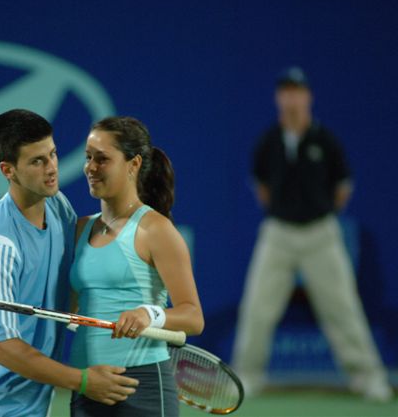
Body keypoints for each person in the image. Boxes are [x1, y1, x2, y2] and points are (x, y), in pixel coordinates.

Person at [0, 109, 140, 417]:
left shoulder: (56, 204)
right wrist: (83, 381)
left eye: (52, 155)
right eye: (37, 161)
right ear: (7, 170)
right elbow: (1, 346)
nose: (52, 168)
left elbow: (69, 281)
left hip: (34, 395)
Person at [232, 67, 393, 402]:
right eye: (286, 91)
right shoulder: (268, 142)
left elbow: (342, 190)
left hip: (321, 234)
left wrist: (315, 213)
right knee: (258, 309)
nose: (292, 98)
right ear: (279, 98)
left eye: (298, 91)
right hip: (277, 234)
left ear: (308, 97)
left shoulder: (327, 141)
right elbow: (261, 188)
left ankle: (368, 378)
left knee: (343, 309)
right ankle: (247, 377)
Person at [69, 116, 205, 417]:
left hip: (140, 386)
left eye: (102, 159)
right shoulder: (79, 229)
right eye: (88, 158)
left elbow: (193, 317)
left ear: (133, 164)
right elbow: (73, 308)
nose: (91, 167)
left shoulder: (155, 230)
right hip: (87, 384)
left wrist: (149, 314)